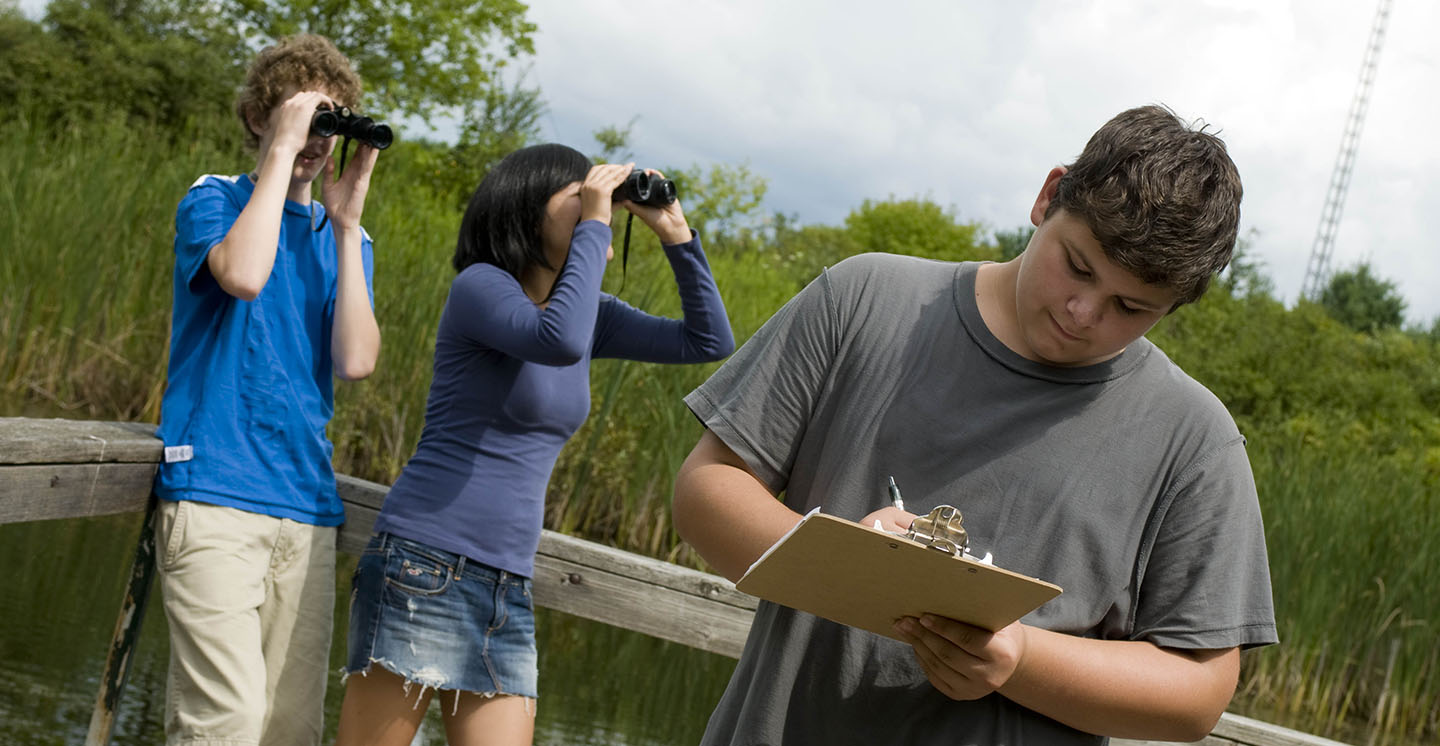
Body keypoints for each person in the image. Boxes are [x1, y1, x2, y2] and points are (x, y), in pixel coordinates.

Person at [672, 104, 1278, 745]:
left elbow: (1197, 696)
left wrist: (1015, 659)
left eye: (1130, 307)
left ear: (1175, 305)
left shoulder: (1195, 441)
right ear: (1048, 196)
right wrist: (848, 560)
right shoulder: (863, 300)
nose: (1082, 311)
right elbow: (706, 489)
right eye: (1077, 265)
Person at [334, 143, 735, 746]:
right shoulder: (482, 288)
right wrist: (599, 224)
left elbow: (708, 340)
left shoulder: (584, 314)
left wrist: (675, 232)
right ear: (526, 205)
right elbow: (557, 341)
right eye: (576, 196)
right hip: (423, 562)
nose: (588, 209)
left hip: (507, 584)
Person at [150, 33, 382, 746]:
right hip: (215, 493)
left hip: (305, 510)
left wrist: (345, 228)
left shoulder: (349, 239)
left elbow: (356, 360)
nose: (317, 138)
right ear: (258, 117)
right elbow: (244, 276)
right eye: (303, 117)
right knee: (224, 722)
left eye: (330, 122)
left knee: (288, 729)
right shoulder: (214, 198)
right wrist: (280, 155)